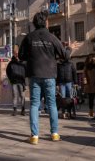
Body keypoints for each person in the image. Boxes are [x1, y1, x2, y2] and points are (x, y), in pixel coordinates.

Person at [18, 10, 69, 145]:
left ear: (34, 23)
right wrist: (69, 48)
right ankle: (55, 134)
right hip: (49, 75)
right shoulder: (52, 38)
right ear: (46, 22)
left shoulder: (29, 37)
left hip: (34, 74)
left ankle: (34, 136)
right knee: (51, 103)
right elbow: (65, 55)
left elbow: (21, 56)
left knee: (34, 104)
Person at [56, 48, 77, 118]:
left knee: (70, 99)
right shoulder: (58, 65)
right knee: (63, 99)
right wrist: (57, 84)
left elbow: (74, 73)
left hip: (69, 83)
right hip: (61, 83)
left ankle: (70, 113)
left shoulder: (71, 63)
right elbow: (57, 75)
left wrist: (75, 83)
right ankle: (63, 113)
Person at [6, 51, 26, 116]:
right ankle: (15, 110)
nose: (17, 55)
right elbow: (7, 72)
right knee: (15, 96)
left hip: (21, 82)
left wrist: (24, 78)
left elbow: (26, 71)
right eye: (16, 54)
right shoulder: (11, 63)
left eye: (18, 54)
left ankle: (23, 110)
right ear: (14, 55)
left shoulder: (22, 62)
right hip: (14, 82)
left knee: (22, 96)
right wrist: (11, 79)